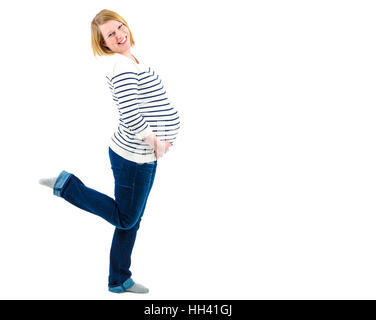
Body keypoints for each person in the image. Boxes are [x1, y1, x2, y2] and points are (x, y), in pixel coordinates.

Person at [39, 9, 180, 294]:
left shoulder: (132, 58)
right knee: (127, 218)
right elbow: (130, 113)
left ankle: (118, 279)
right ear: (103, 43)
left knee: (131, 219)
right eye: (110, 35)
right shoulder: (122, 66)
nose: (119, 35)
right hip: (134, 158)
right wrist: (155, 140)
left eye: (119, 27)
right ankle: (66, 186)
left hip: (143, 156)